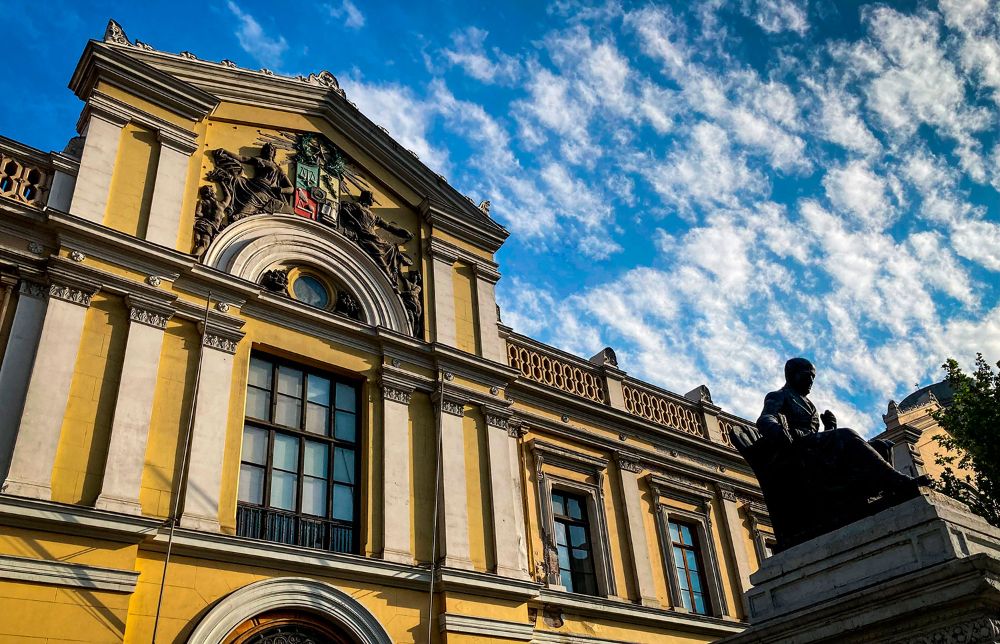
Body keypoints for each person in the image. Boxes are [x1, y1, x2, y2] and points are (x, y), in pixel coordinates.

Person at [736, 357, 928, 551]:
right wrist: (780, 433)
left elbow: (817, 435)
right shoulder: (779, 396)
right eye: (806, 376)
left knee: (882, 445)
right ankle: (897, 480)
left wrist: (829, 427)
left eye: (813, 377)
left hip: (814, 451)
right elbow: (765, 419)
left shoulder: (809, 404)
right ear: (792, 375)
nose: (811, 381)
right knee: (848, 435)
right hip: (797, 451)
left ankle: (884, 491)